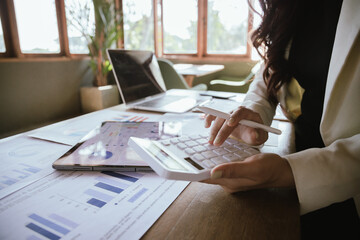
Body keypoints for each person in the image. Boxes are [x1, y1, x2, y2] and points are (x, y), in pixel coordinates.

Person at [202, 0, 360, 238]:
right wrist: (255, 112)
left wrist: (290, 171)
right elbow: (271, 69)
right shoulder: (290, 7)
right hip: (294, 176)